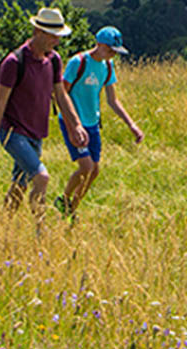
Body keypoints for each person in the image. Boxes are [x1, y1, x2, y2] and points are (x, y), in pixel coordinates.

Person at [0, 7, 88, 217]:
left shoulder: (54, 60)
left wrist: (75, 124)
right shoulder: (14, 62)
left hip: (36, 132)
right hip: (13, 133)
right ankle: (40, 234)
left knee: (19, 184)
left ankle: (3, 228)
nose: (57, 42)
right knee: (41, 177)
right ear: (38, 32)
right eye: (53, 36)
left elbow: (61, 95)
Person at [53, 26, 144, 217]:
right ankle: (63, 199)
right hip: (73, 122)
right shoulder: (78, 62)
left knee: (94, 171)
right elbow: (62, 95)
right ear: (99, 44)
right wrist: (71, 127)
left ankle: (70, 210)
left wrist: (131, 125)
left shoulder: (107, 66)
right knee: (85, 167)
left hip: (92, 124)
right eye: (110, 50)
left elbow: (113, 100)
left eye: (115, 52)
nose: (112, 55)